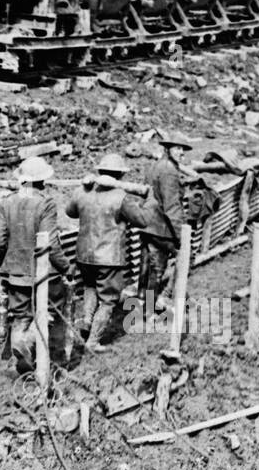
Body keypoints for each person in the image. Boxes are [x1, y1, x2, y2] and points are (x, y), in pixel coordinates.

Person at [0, 157, 70, 375]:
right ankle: (30, 346)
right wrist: (66, 267)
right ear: (42, 181)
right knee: (50, 311)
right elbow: (50, 243)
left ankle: (20, 359)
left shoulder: (7, 202)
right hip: (44, 274)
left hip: (15, 273)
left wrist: (5, 263)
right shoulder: (46, 203)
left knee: (20, 316)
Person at [64, 153, 150, 351]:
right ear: (119, 175)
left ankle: (86, 322)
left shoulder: (82, 191)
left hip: (84, 254)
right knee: (109, 300)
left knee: (89, 288)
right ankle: (93, 341)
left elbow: (70, 212)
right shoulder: (122, 197)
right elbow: (142, 220)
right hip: (110, 258)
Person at [139, 130, 193, 313]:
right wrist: (181, 235)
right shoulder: (169, 171)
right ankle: (163, 297)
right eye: (178, 149)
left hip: (148, 221)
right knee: (182, 258)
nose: (182, 153)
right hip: (161, 226)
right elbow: (172, 206)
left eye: (182, 149)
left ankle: (145, 304)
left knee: (149, 266)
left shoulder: (156, 166)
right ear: (168, 149)